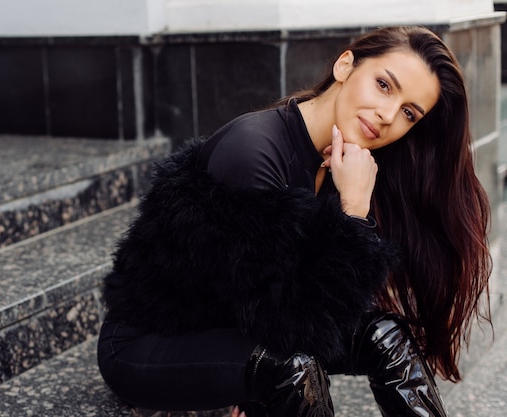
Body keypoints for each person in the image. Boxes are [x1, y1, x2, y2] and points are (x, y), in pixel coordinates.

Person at [97, 26, 492, 417]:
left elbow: (312, 307)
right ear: (345, 65)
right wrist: (353, 212)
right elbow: (292, 330)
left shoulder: (346, 159)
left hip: (240, 326)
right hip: (150, 345)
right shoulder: (252, 152)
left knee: (384, 334)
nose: (388, 115)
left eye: (409, 113)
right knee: (291, 369)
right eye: (384, 85)